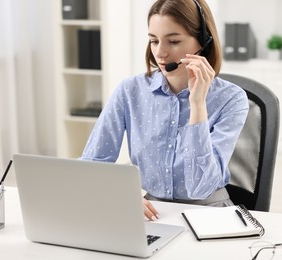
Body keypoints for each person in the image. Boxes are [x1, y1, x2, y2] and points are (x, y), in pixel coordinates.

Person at [80, 0, 249, 221]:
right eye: (153, 41)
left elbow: (200, 187)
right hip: (151, 211)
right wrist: (120, 194)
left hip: (209, 213)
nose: (160, 53)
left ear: (204, 41)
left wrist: (198, 104)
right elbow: (93, 165)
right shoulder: (130, 91)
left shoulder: (232, 99)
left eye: (174, 41)